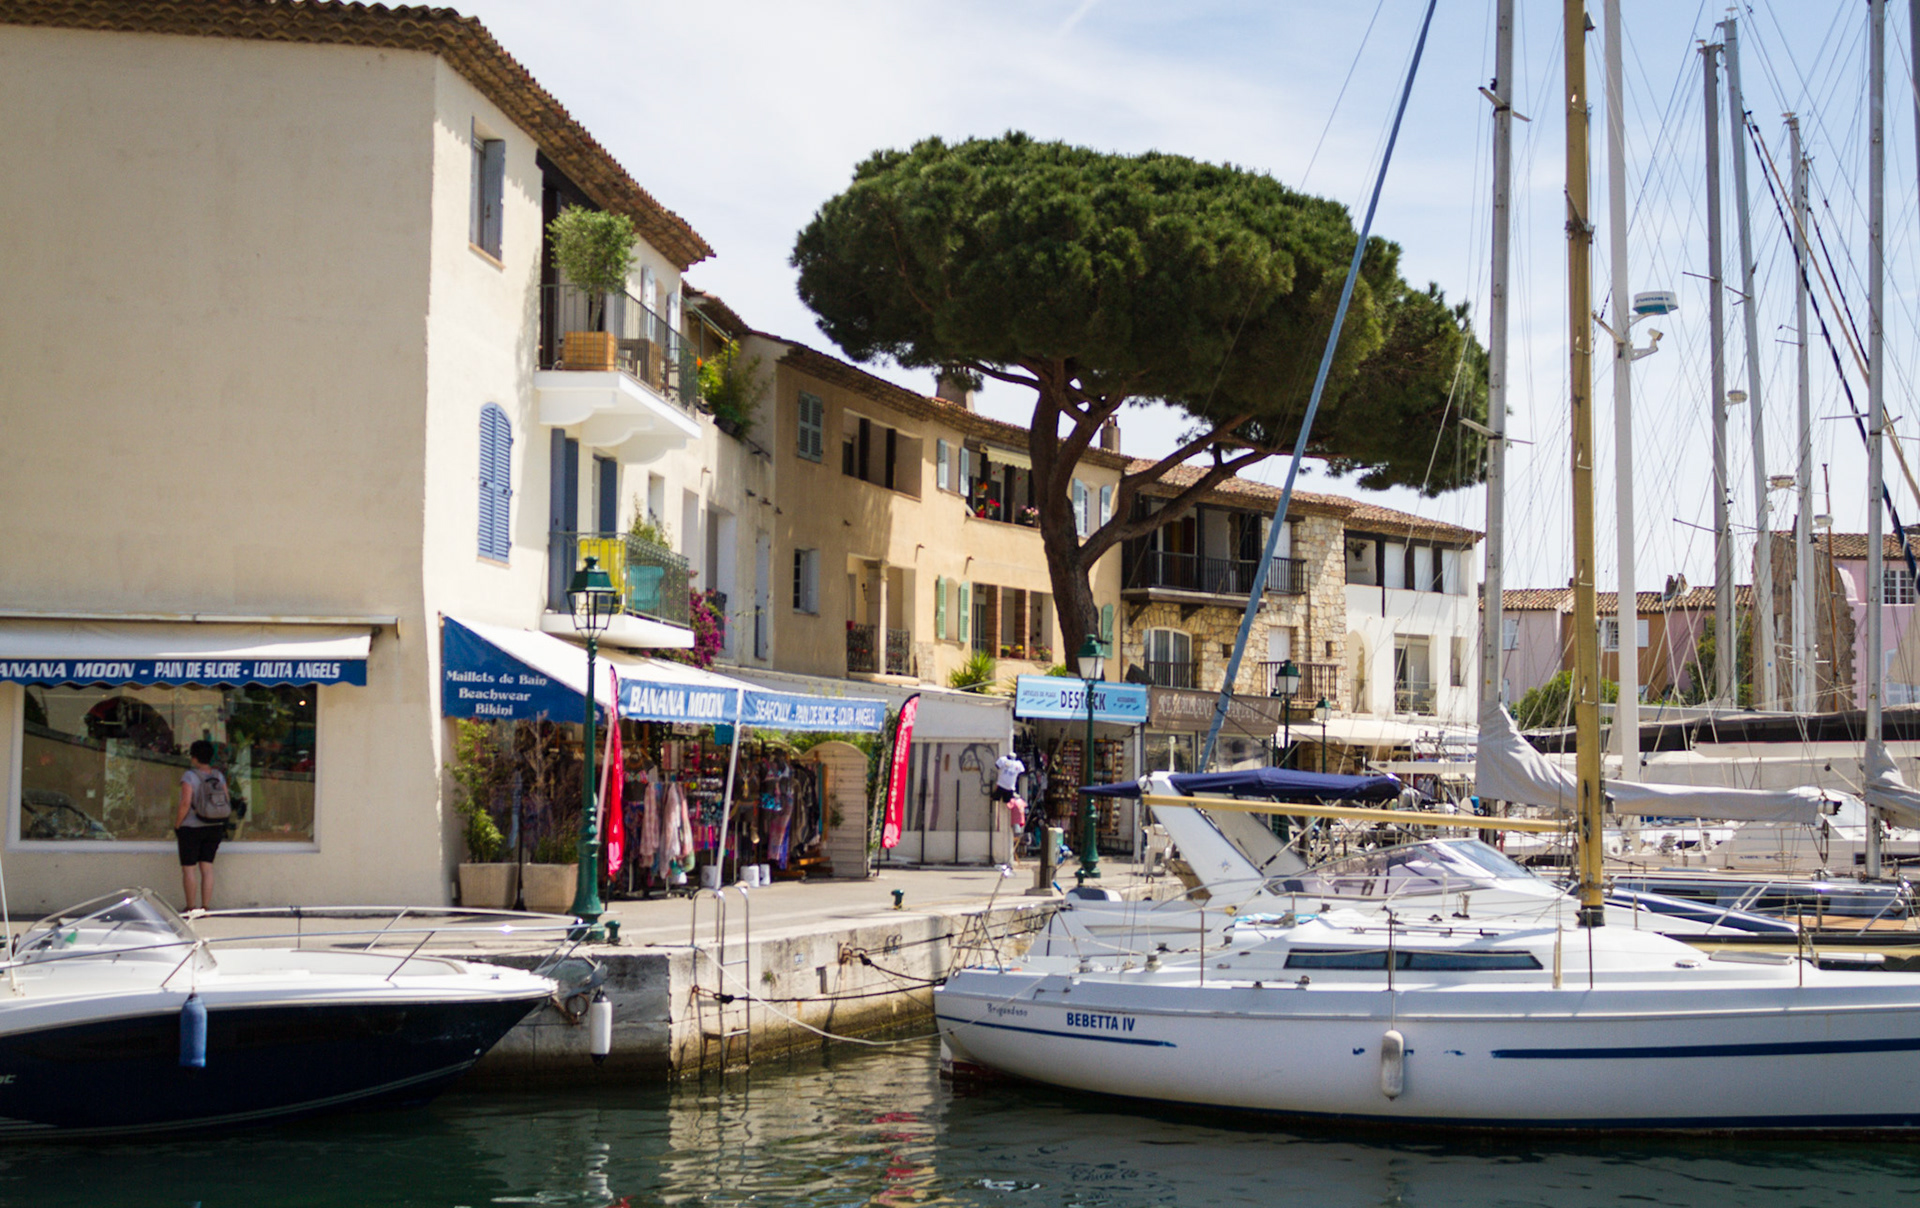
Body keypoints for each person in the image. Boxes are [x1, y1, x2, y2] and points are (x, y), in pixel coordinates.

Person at [176, 739, 227, 912]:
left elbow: (185, 803)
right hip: (214, 825)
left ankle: (191, 907)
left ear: (195, 757)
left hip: (191, 826)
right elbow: (225, 799)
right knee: (207, 867)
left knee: (189, 869)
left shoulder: (189, 776)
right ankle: (205, 907)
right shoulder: (218, 776)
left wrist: (177, 824)